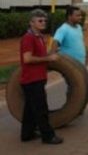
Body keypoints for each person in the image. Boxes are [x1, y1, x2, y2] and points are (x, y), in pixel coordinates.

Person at [20, 9, 63, 144]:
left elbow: (41, 56)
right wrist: (48, 58)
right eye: (40, 20)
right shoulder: (28, 38)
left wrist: (52, 52)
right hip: (32, 80)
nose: (43, 22)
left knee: (30, 110)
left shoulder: (39, 37)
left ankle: (26, 134)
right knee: (41, 109)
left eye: (44, 20)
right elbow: (27, 59)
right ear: (31, 23)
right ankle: (48, 136)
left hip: (37, 78)